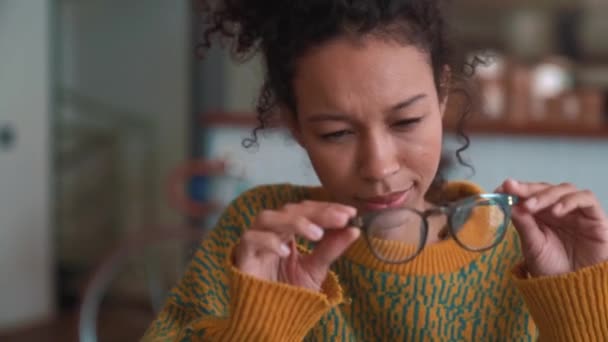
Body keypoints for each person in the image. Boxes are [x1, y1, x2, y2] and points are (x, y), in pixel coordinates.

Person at [142, 0, 608, 340]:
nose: (380, 166)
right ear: (295, 124)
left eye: (406, 121)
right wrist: (262, 324)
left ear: (442, 94)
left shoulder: (527, 253)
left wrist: (577, 308)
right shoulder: (258, 242)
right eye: (336, 133)